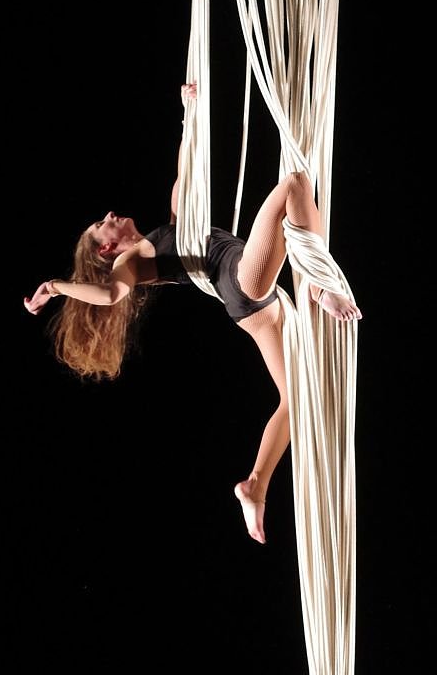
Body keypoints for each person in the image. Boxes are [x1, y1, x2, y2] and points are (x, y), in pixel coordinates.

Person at [24, 81, 361, 544]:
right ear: (106, 248)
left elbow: (188, 174)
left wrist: (190, 114)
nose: (110, 214)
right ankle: (321, 286)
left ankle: (255, 486)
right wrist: (54, 287)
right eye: (101, 224)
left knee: (295, 400)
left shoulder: (172, 230)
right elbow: (111, 295)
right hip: (241, 282)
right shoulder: (131, 260)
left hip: (251, 310)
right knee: (294, 186)